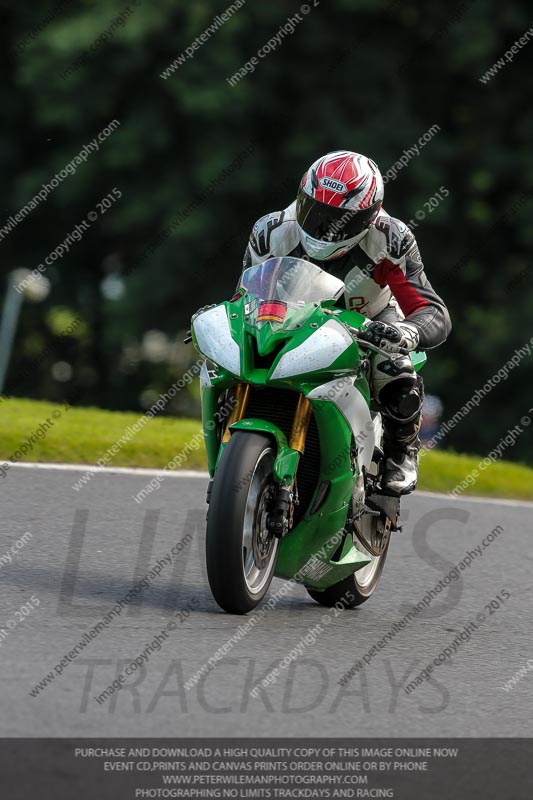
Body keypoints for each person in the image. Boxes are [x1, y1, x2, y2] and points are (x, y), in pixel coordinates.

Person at [242, 150, 451, 495]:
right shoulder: (271, 231)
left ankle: (402, 450)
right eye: (315, 210)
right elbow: (244, 295)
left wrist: (405, 333)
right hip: (292, 316)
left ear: (368, 217)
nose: (324, 227)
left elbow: (432, 310)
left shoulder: (391, 239)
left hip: (370, 319)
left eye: (338, 219)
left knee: (395, 367)